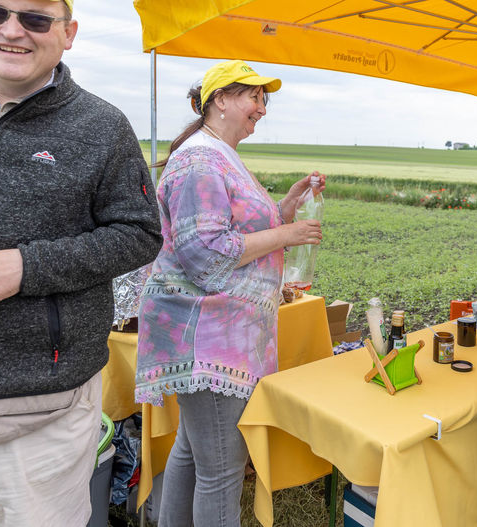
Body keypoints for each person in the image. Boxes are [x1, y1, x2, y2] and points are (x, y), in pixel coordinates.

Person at [0, 0, 163, 525]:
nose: (13, 29)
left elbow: (139, 233)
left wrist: (25, 267)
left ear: (69, 34)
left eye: (36, 18)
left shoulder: (101, 125)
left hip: (39, 405)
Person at [134, 60, 325, 527]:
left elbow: (233, 231)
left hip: (217, 335)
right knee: (221, 470)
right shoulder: (200, 160)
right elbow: (207, 254)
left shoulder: (218, 154)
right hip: (208, 336)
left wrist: (285, 207)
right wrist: (289, 234)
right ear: (220, 99)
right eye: (253, 97)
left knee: (192, 450)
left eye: (265, 100)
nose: (261, 109)